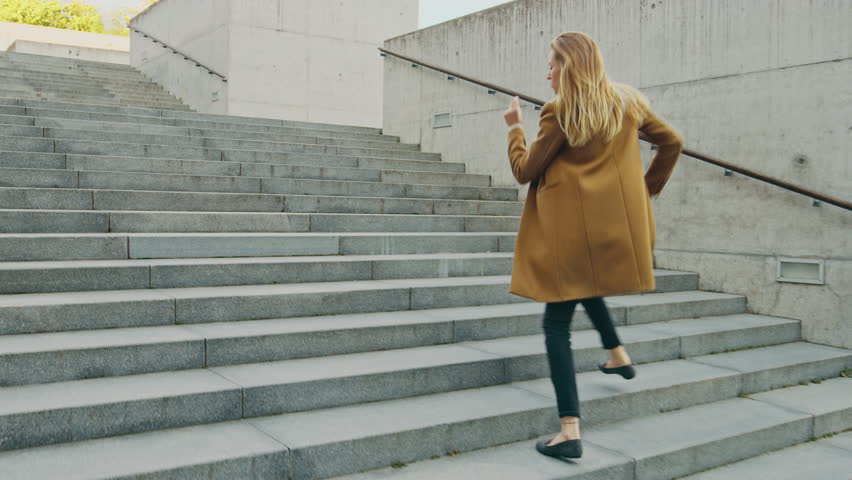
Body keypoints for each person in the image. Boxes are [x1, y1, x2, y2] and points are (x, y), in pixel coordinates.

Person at [502, 31, 683, 460]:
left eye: (552, 63)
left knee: (555, 325)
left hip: (568, 233)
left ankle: (569, 430)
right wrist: (644, 191)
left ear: (569, 66)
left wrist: (514, 130)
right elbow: (671, 142)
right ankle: (617, 353)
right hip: (611, 230)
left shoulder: (559, 111)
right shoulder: (628, 101)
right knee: (584, 286)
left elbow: (525, 171)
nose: (547, 71)